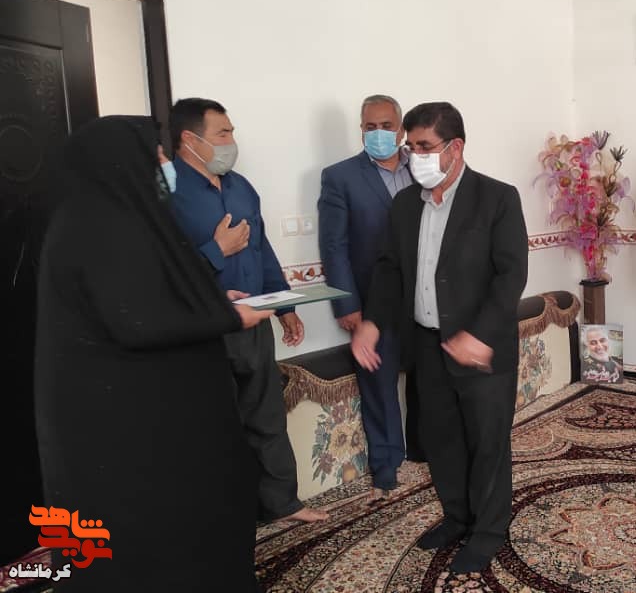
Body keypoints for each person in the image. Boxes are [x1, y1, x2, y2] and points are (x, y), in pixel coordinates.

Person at [35, 116, 270, 591]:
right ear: (122, 162)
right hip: (125, 433)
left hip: (140, 421)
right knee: (150, 544)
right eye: (157, 155)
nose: (165, 163)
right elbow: (137, 321)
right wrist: (225, 317)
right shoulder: (99, 225)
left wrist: (209, 302)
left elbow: (150, 294)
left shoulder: (116, 217)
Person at [351, 102, 528, 573]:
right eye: (411, 147)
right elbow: (389, 270)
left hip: (480, 348)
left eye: (425, 146)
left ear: (455, 148)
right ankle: (456, 517)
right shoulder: (406, 204)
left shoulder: (497, 198)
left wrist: (480, 334)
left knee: (487, 443)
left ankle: (488, 532)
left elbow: (510, 276)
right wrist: (372, 321)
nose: (415, 156)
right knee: (442, 439)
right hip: (428, 344)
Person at [169, 98, 328, 524]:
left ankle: (282, 504)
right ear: (189, 139)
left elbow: (262, 249)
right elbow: (163, 271)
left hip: (254, 323)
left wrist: (285, 306)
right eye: (222, 133)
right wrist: (215, 250)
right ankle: (224, 514)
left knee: (266, 416)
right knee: (214, 425)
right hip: (203, 329)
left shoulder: (241, 187)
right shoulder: (166, 193)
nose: (231, 142)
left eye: (231, 132)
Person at [319, 94, 421, 497]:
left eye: (386, 126)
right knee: (379, 385)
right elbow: (334, 246)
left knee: (426, 380)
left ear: (401, 129)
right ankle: (386, 466)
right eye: (370, 126)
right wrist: (347, 304)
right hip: (372, 303)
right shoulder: (340, 176)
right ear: (361, 130)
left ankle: (424, 449)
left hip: (423, 299)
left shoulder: (424, 168)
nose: (378, 133)